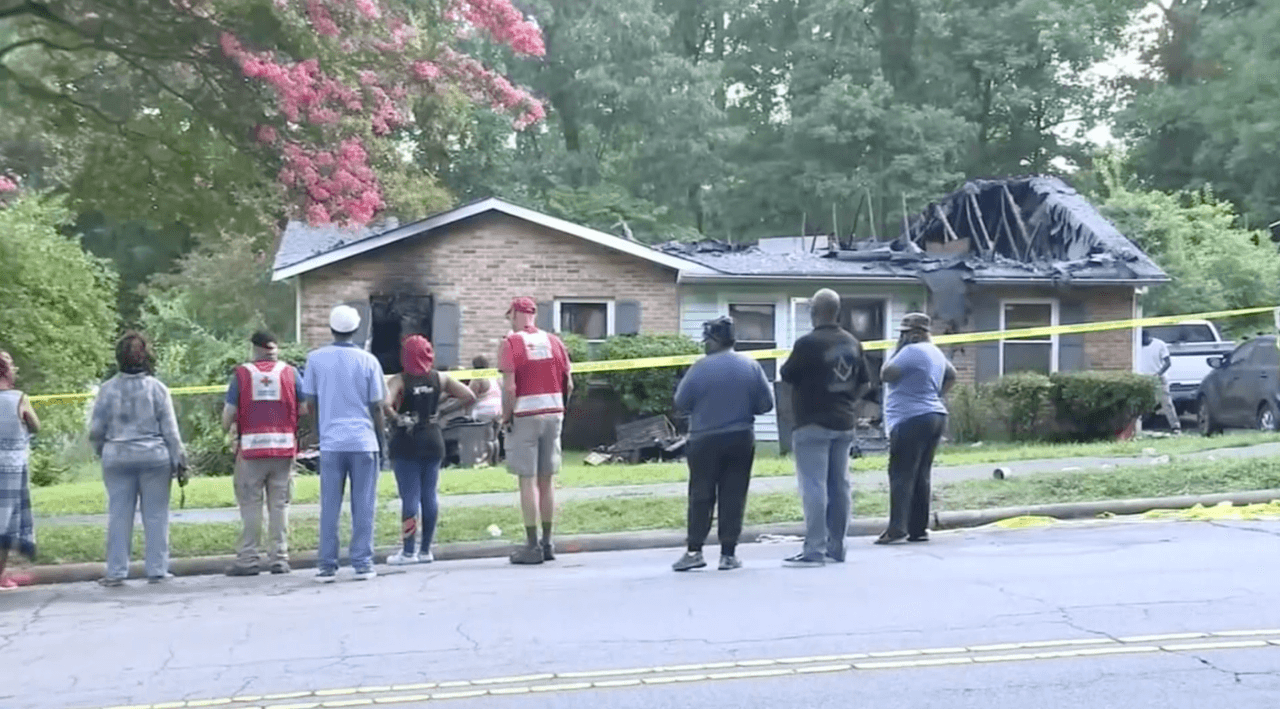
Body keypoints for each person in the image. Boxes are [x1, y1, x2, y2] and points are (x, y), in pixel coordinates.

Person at [671, 316, 775, 572]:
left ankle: (694, 550)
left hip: (704, 439)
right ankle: (728, 554)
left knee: (700, 495)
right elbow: (766, 404)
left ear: (716, 340)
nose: (705, 345)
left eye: (707, 340)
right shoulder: (751, 366)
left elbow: (681, 403)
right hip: (740, 437)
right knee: (734, 495)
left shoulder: (699, 368)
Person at [778, 289, 869, 567]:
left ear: (813, 313)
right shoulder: (853, 343)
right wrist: (849, 403)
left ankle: (814, 550)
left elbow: (787, 375)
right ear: (838, 312)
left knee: (814, 486)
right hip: (844, 423)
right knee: (839, 485)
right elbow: (865, 383)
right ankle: (837, 546)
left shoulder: (807, 344)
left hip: (812, 423)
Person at [88, 333, 187, 586]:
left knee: (119, 514)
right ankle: (157, 569)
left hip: (117, 455)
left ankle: (116, 571)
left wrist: (104, 450)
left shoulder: (107, 389)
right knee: (156, 515)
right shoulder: (157, 389)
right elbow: (171, 432)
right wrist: (179, 460)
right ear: (146, 357)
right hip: (154, 456)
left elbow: (95, 431)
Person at [300, 305, 388, 583]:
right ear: (356, 329)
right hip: (363, 441)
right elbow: (377, 406)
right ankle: (362, 563)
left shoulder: (315, 360)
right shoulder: (368, 361)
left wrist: (318, 431)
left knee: (330, 505)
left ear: (331, 328)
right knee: (363, 504)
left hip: (331, 442)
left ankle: (327, 565)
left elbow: (310, 403)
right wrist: (382, 440)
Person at [384, 335, 475, 565]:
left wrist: (397, 419)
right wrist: (443, 411)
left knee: (410, 497)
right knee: (429, 495)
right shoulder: (440, 378)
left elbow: (384, 403)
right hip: (433, 438)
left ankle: (407, 551)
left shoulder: (400, 380)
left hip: (407, 440)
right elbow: (469, 396)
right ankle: (426, 550)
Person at [221, 330, 306, 576]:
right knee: (279, 505)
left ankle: (248, 559)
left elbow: (229, 413)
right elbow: (303, 409)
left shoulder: (242, 374)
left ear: (255, 348)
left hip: (251, 450)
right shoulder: (290, 373)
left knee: (251, 504)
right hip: (283, 448)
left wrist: (228, 430)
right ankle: (279, 558)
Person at [499, 297, 572, 565]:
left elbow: (509, 388)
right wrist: (560, 408)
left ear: (516, 315)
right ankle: (548, 541)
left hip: (525, 415)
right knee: (547, 480)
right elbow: (570, 383)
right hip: (554, 413)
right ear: (534, 315)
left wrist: (505, 416)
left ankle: (532, 545)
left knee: (527, 481)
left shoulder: (511, 343)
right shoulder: (555, 342)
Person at [875, 313, 956, 545]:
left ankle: (897, 528)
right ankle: (918, 529)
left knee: (901, 474)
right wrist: (936, 393)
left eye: (905, 333)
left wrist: (899, 350)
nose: (902, 336)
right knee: (921, 474)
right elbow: (952, 375)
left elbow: (885, 374)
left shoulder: (911, 351)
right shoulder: (935, 352)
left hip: (910, 417)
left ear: (916, 333)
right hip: (935, 415)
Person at [0, 351, 40, 590]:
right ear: (6, 371)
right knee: (5, 524)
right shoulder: (19, 399)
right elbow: (35, 426)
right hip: (10, 471)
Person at [1139, 329, 1181, 433]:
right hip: (1143, 378)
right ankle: (1140, 426)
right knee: (1141, 403)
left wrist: (1159, 373)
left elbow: (1167, 363)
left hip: (1158, 378)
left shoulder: (1159, 344)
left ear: (1147, 337)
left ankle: (1175, 427)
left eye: (1143, 340)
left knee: (1166, 403)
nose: (1142, 342)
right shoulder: (1136, 345)